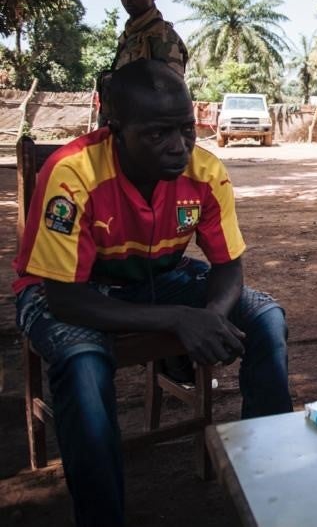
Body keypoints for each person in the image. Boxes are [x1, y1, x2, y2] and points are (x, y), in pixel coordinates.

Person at [12, 60, 292, 526]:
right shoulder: (73, 173)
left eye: (186, 128)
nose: (178, 146)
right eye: (157, 134)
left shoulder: (205, 172)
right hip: (67, 288)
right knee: (83, 363)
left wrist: (214, 317)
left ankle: (267, 479)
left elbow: (228, 265)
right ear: (115, 129)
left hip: (162, 276)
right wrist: (177, 319)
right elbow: (65, 299)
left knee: (266, 318)